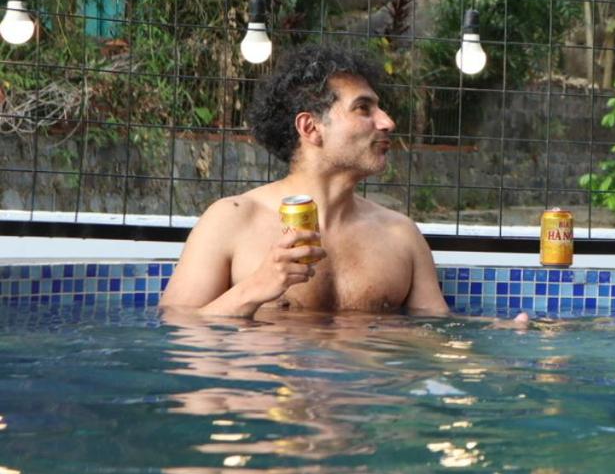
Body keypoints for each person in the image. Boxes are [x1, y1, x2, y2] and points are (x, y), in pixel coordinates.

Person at [160, 43, 449, 318]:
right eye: (363, 108)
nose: (387, 122)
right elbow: (176, 327)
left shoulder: (401, 235)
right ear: (310, 127)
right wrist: (255, 288)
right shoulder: (231, 221)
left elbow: (435, 334)